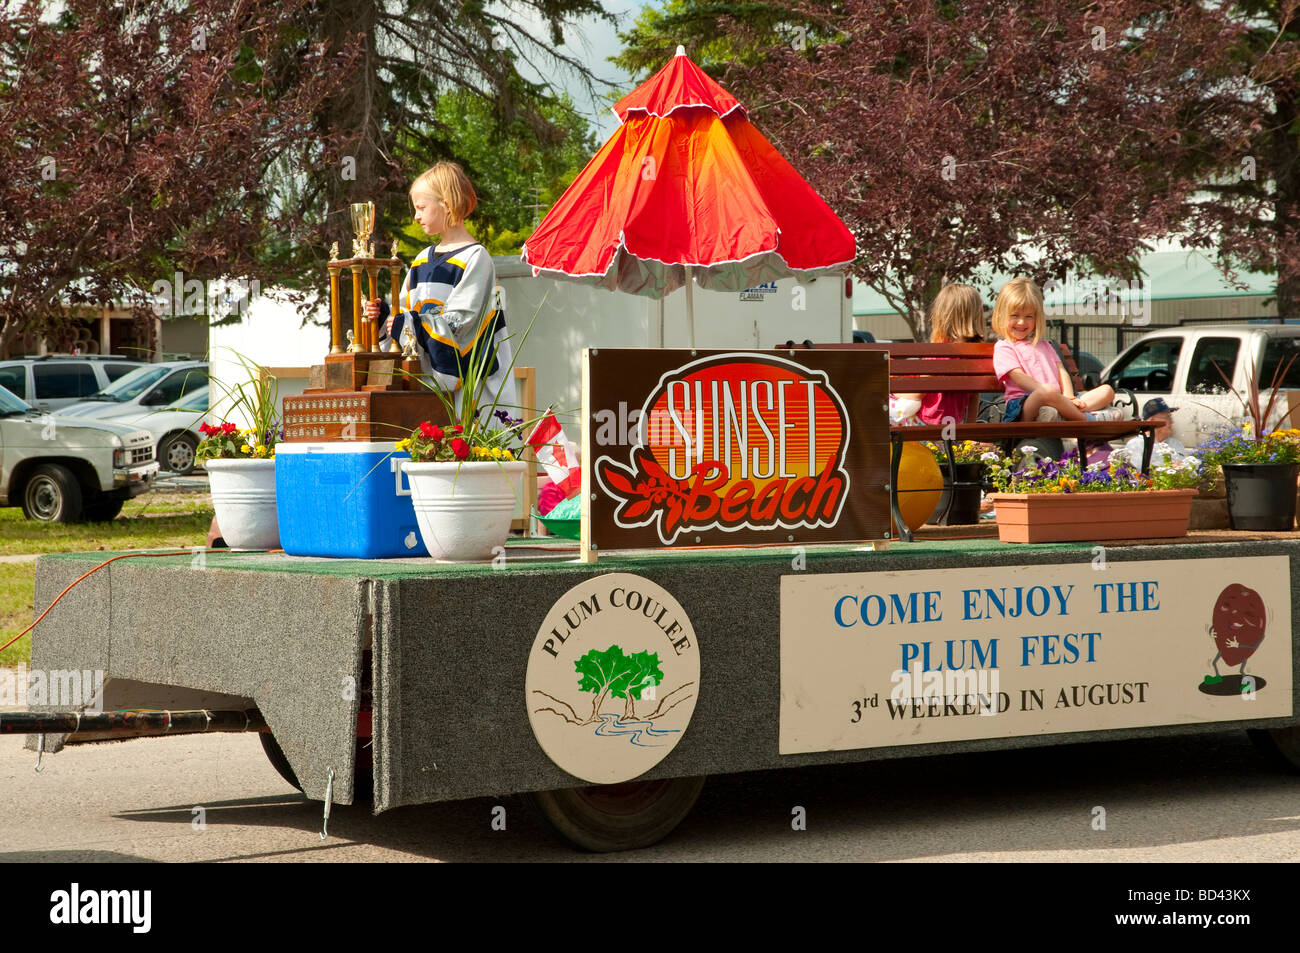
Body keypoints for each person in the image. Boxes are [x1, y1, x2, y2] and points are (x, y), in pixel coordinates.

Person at [364, 161, 518, 414]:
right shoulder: (422, 258)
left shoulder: (476, 257)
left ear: (446, 203)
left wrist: (409, 325)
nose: (416, 216)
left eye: (421, 207)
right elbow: (406, 310)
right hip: (428, 380)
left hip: (470, 384)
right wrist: (385, 317)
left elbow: (460, 321)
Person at [992, 277, 1118, 423]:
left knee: (1107, 390)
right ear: (1002, 315)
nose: (1022, 322)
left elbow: (1061, 371)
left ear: (1036, 317)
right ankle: (1086, 420)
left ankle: (1066, 413)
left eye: (1028, 316)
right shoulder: (1004, 347)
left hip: (1058, 400)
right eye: (1015, 315)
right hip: (1024, 404)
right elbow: (1019, 377)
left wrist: (1068, 397)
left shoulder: (1045, 345)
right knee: (1047, 392)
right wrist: (1048, 393)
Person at [890, 283, 987, 426]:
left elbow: (917, 394)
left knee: (875, 401)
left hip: (927, 423)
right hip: (954, 423)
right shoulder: (977, 355)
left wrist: (892, 392)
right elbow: (974, 396)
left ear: (942, 316)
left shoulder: (940, 353)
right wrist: (969, 431)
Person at [1124, 397, 1188, 467]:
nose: (1172, 422)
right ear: (1152, 421)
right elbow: (1138, 472)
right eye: (1167, 417)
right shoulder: (1136, 444)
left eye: (1171, 417)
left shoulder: (1175, 444)